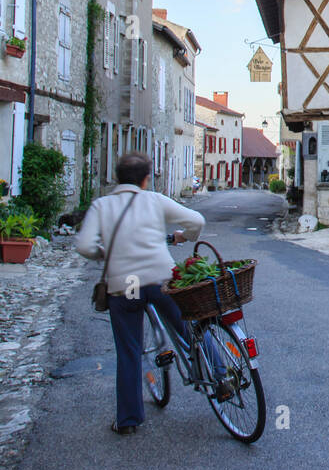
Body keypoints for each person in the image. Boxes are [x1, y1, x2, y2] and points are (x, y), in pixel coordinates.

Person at [75, 151, 223, 435]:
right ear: (145, 180)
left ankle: (129, 419)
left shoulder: (102, 206)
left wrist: (104, 253)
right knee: (191, 325)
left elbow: (84, 246)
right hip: (161, 278)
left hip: (126, 285)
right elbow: (197, 222)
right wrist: (184, 237)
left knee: (129, 350)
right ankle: (220, 374)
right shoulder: (154, 200)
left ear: (118, 178)